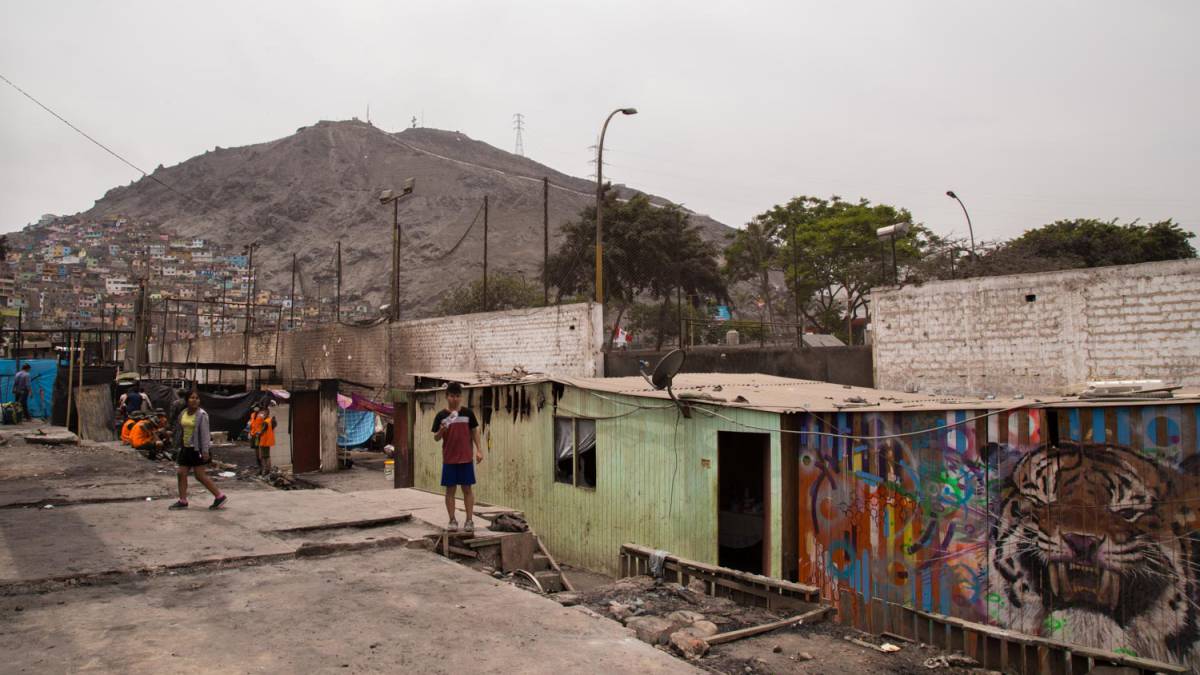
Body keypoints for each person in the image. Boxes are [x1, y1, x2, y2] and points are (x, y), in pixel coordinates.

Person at [431, 382, 483, 532]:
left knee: (467, 490)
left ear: (461, 397)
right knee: (450, 491)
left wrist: (479, 450)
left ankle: (469, 521)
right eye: (452, 396)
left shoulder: (468, 414)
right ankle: (452, 520)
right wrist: (441, 430)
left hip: (466, 458)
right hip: (449, 459)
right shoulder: (441, 416)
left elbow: (475, 431)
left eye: (458, 396)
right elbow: (436, 438)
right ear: (447, 396)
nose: (455, 399)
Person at [170, 390, 226, 510]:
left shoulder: (202, 414)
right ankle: (183, 500)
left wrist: (205, 451)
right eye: (192, 398)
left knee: (199, 475)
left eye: (197, 398)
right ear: (187, 400)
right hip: (185, 448)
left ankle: (219, 496)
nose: (195, 400)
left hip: (197, 449)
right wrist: (176, 444)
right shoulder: (184, 413)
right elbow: (180, 429)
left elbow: (205, 434)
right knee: (181, 473)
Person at [256, 404, 277, 476]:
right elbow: (273, 426)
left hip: (264, 441)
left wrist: (258, 433)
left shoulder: (265, 422)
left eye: (263, 413)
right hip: (268, 441)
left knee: (264, 456)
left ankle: (266, 471)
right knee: (267, 456)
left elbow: (262, 431)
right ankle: (268, 470)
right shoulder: (270, 420)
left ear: (266, 413)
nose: (261, 414)